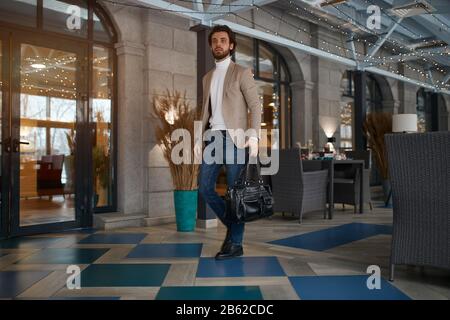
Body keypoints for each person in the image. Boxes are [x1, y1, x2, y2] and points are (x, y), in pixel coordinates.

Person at [195, 25, 261, 260]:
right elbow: (204, 110)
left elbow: (255, 105)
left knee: (235, 194)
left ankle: (235, 244)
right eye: (214, 41)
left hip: (235, 140)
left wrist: (254, 135)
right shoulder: (207, 77)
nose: (218, 44)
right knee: (204, 188)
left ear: (231, 45)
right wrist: (196, 138)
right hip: (212, 138)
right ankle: (234, 231)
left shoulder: (242, 72)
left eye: (223, 40)